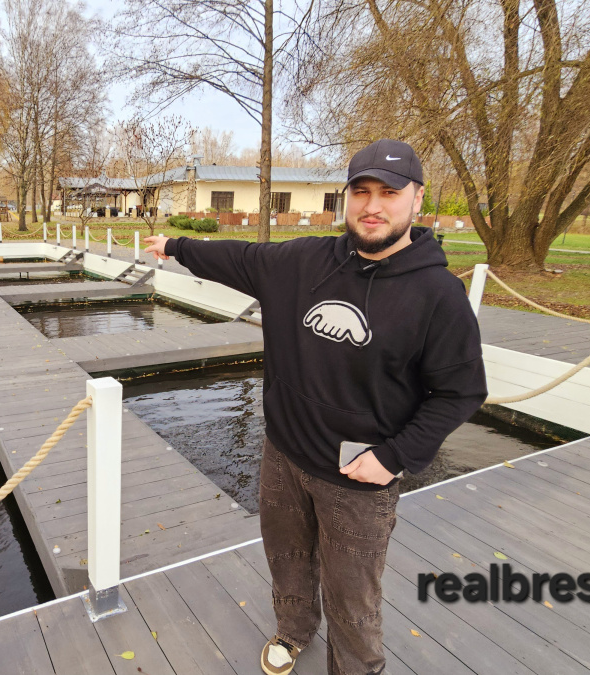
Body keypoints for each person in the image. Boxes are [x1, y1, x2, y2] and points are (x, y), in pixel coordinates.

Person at [142, 139, 488, 675]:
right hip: (283, 455)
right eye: (362, 192)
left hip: (358, 479)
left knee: (353, 600)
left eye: (389, 193)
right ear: (346, 198)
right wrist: (175, 245)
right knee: (287, 563)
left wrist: (395, 457)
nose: (373, 206)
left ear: (417, 199)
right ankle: (294, 629)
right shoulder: (303, 262)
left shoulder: (438, 295)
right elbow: (237, 257)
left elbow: (460, 391)